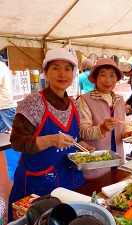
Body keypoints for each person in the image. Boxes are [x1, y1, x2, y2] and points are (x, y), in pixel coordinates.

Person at [8, 48, 95, 222]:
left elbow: (75, 137)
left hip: (70, 180)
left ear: (73, 74)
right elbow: (16, 141)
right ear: (46, 73)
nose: (62, 74)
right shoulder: (33, 103)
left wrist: (83, 146)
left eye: (68, 69)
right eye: (56, 68)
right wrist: (50, 140)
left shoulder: (74, 104)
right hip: (38, 182)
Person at [77, 58, 132, 180]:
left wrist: (127, 133)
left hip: (118, 161)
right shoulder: (84, 100)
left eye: (112, 75)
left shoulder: (119, 100)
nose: (108, 80)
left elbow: (123, 124)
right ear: (95, 78)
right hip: (96, 165)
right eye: (103, 75)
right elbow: (82, 131)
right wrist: (102, 128)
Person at [0, 55, 17, 133]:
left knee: (19, 131)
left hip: (6, 105)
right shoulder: (4, 67)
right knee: (3, 130)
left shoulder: (0, 67)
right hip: (6, 104)